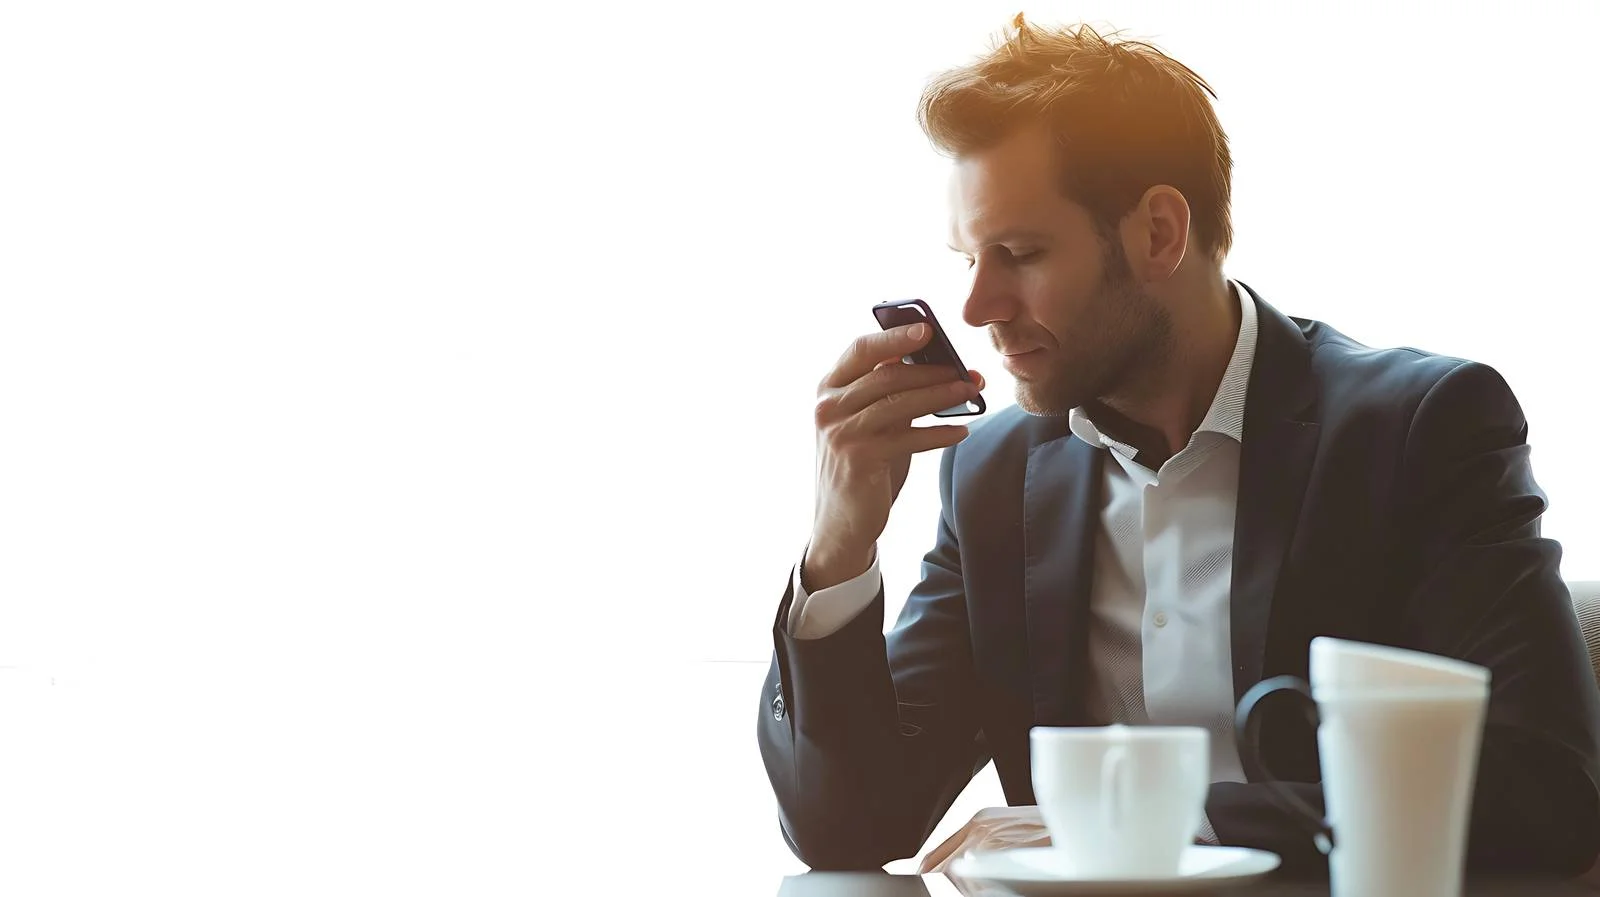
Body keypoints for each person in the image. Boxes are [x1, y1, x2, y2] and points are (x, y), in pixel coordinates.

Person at [754, 13, 1600, 877]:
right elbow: (849, 828)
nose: (975, 307)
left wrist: (1145, 829)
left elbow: (1545, 791)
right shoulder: (995, 474)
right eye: (969, 257)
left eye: (1018, 252)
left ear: (1159, 232)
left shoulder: (1423, 430)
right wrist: (838, 546)